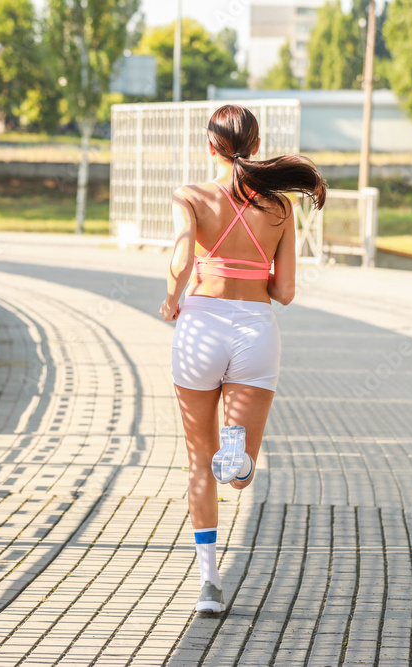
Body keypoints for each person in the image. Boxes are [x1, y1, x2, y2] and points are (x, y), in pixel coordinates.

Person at [159, 104, 326, 614]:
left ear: (210, 145)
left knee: (196, 463)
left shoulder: (190, 197)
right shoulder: (279, 209)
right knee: (237, 473)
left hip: (201, 328)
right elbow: (286, 291)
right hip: (254, 331)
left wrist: (171, 297)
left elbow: (183, 257)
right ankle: (239, 457)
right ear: (255, 147)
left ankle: (208, 584)